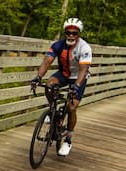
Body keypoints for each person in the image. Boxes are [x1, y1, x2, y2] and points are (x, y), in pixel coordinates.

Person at [30, 17, 91, 156]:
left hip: (79, 77)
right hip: (64, 74)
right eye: (68, 32)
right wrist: (38, 77)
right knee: (50, 84)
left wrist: (76, 86)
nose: (71, 35)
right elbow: (47, 62)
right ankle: (52, 113)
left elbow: (83, 69)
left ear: (79, 34)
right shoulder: (58, 45)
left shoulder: (84, 48)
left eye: (74, 33)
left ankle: (68, 140)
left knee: (71, 107)